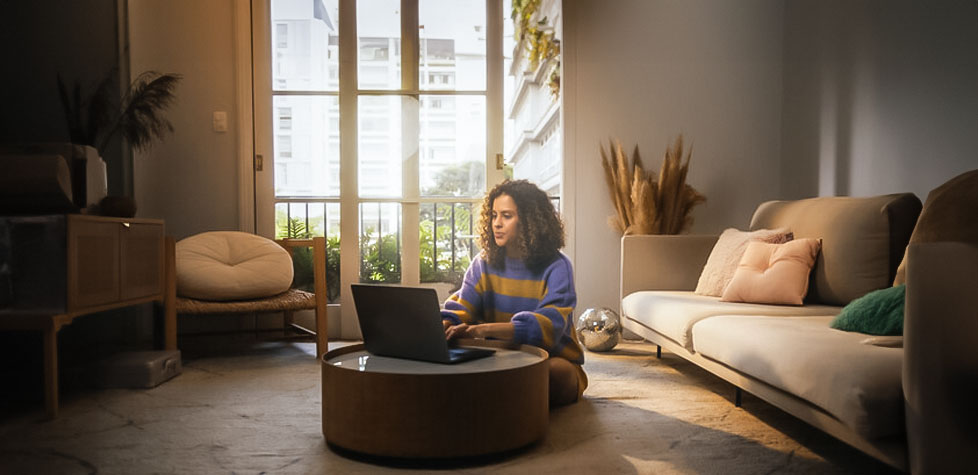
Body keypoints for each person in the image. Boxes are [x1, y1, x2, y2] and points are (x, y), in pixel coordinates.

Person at [442, 179, 587, 407]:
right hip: (498, 356)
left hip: (549, 359)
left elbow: (550, 324)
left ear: (530, 222)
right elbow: (460, 306)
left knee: (552, 375)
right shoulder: (482, 263)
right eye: (494, 215)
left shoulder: (558, 266)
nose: (497, 224)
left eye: (507, 216)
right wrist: (445, 324)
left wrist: (482, 330)